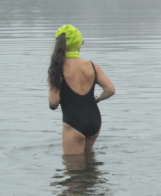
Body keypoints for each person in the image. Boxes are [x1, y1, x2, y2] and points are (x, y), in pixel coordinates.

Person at [48, 24, 115, 155]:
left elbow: (53, 102)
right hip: (94, 121)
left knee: (73, 170)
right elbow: (110, 90)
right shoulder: (92, 65)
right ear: (78, 43)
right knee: (90, 162)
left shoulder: (57, 68)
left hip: (74, 123)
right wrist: (97, 99)